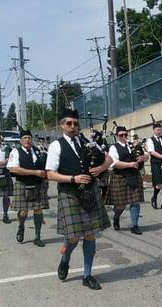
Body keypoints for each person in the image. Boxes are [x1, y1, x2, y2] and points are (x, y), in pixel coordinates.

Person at [45, 109, 112, 290]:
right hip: (70, 193)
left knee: (90, 234)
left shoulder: (86, 142)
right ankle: (65, 260)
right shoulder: (56, 146)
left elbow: (109, 159)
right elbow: (50, 174)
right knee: (73, 237)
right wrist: (73, 178)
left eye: (75, 123)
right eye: (69, 123)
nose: (73, 127)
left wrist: (100, 168)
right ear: (62, 125)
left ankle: (87, 275)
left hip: (90, 192)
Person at [7, 130, 50, 247]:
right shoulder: (15, 152)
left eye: (29, 138)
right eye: (24, 138)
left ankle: (37, 236)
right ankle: (21, 226)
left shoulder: (38, 151)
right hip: (22, 184)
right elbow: (13, 169)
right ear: (20, 140)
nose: (27, 140)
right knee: (23, 212)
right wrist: (35, 172)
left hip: (38, 185)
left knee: (38, 210)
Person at [106, 126, 148, 235]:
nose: (124, 137)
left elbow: (147, 156)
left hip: (134, 175)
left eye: (125, 134)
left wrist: (143, 158)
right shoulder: (113, 148)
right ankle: (116, 217)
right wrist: (130, 164)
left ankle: (135, 226)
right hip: (120, 177)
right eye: (121, 135)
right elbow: (114, 163)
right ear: (116, 136)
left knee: (135, 202)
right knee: (121, 205)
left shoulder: (134, 145)